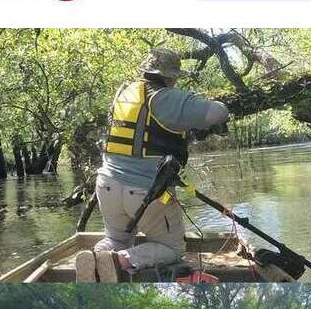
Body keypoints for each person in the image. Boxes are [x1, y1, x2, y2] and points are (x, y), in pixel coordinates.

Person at [78, 48, 230, 282]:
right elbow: (218, 113)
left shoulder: (124, 92)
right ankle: (121, 260)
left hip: (106, 186)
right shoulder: (165, 97)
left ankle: (98, 256)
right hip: (145, 191)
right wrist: (213, 102)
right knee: (171, 248)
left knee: (116, 239)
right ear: (171, 76)